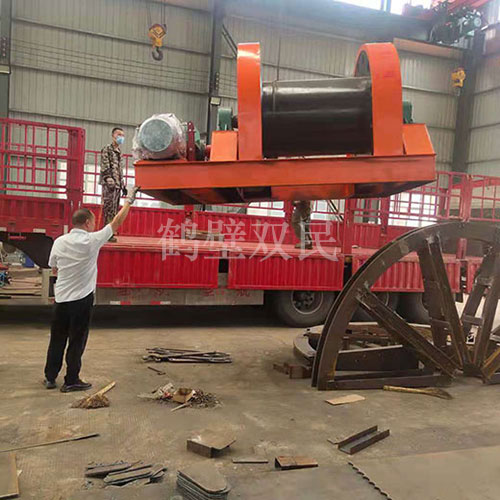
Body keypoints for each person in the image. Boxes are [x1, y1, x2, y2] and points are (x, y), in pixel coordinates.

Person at [43, 186, 140, 392]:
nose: (94, 225)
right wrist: (129, 200)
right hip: (81, 300)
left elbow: (54, 267)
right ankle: (71, 380)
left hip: (61, 300)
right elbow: (116, 223)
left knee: (57, 339)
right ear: (87, 223)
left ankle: (50, 377)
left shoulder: (59, 241)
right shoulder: (92, 240)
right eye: (93, 222)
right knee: (77, 341)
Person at [100, 127, 126, 242]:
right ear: (113, 136)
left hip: (117, 185)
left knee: (114, 209)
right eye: (119, 135)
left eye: (123, 135)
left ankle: (110, 233)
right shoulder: (107, 149)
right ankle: (107, 235)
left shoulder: (119, 152)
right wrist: (108, 178)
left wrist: (123, 184)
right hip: (109, 184)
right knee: (109, 209)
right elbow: (105, 165)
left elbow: (120, 170)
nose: (121, 137)